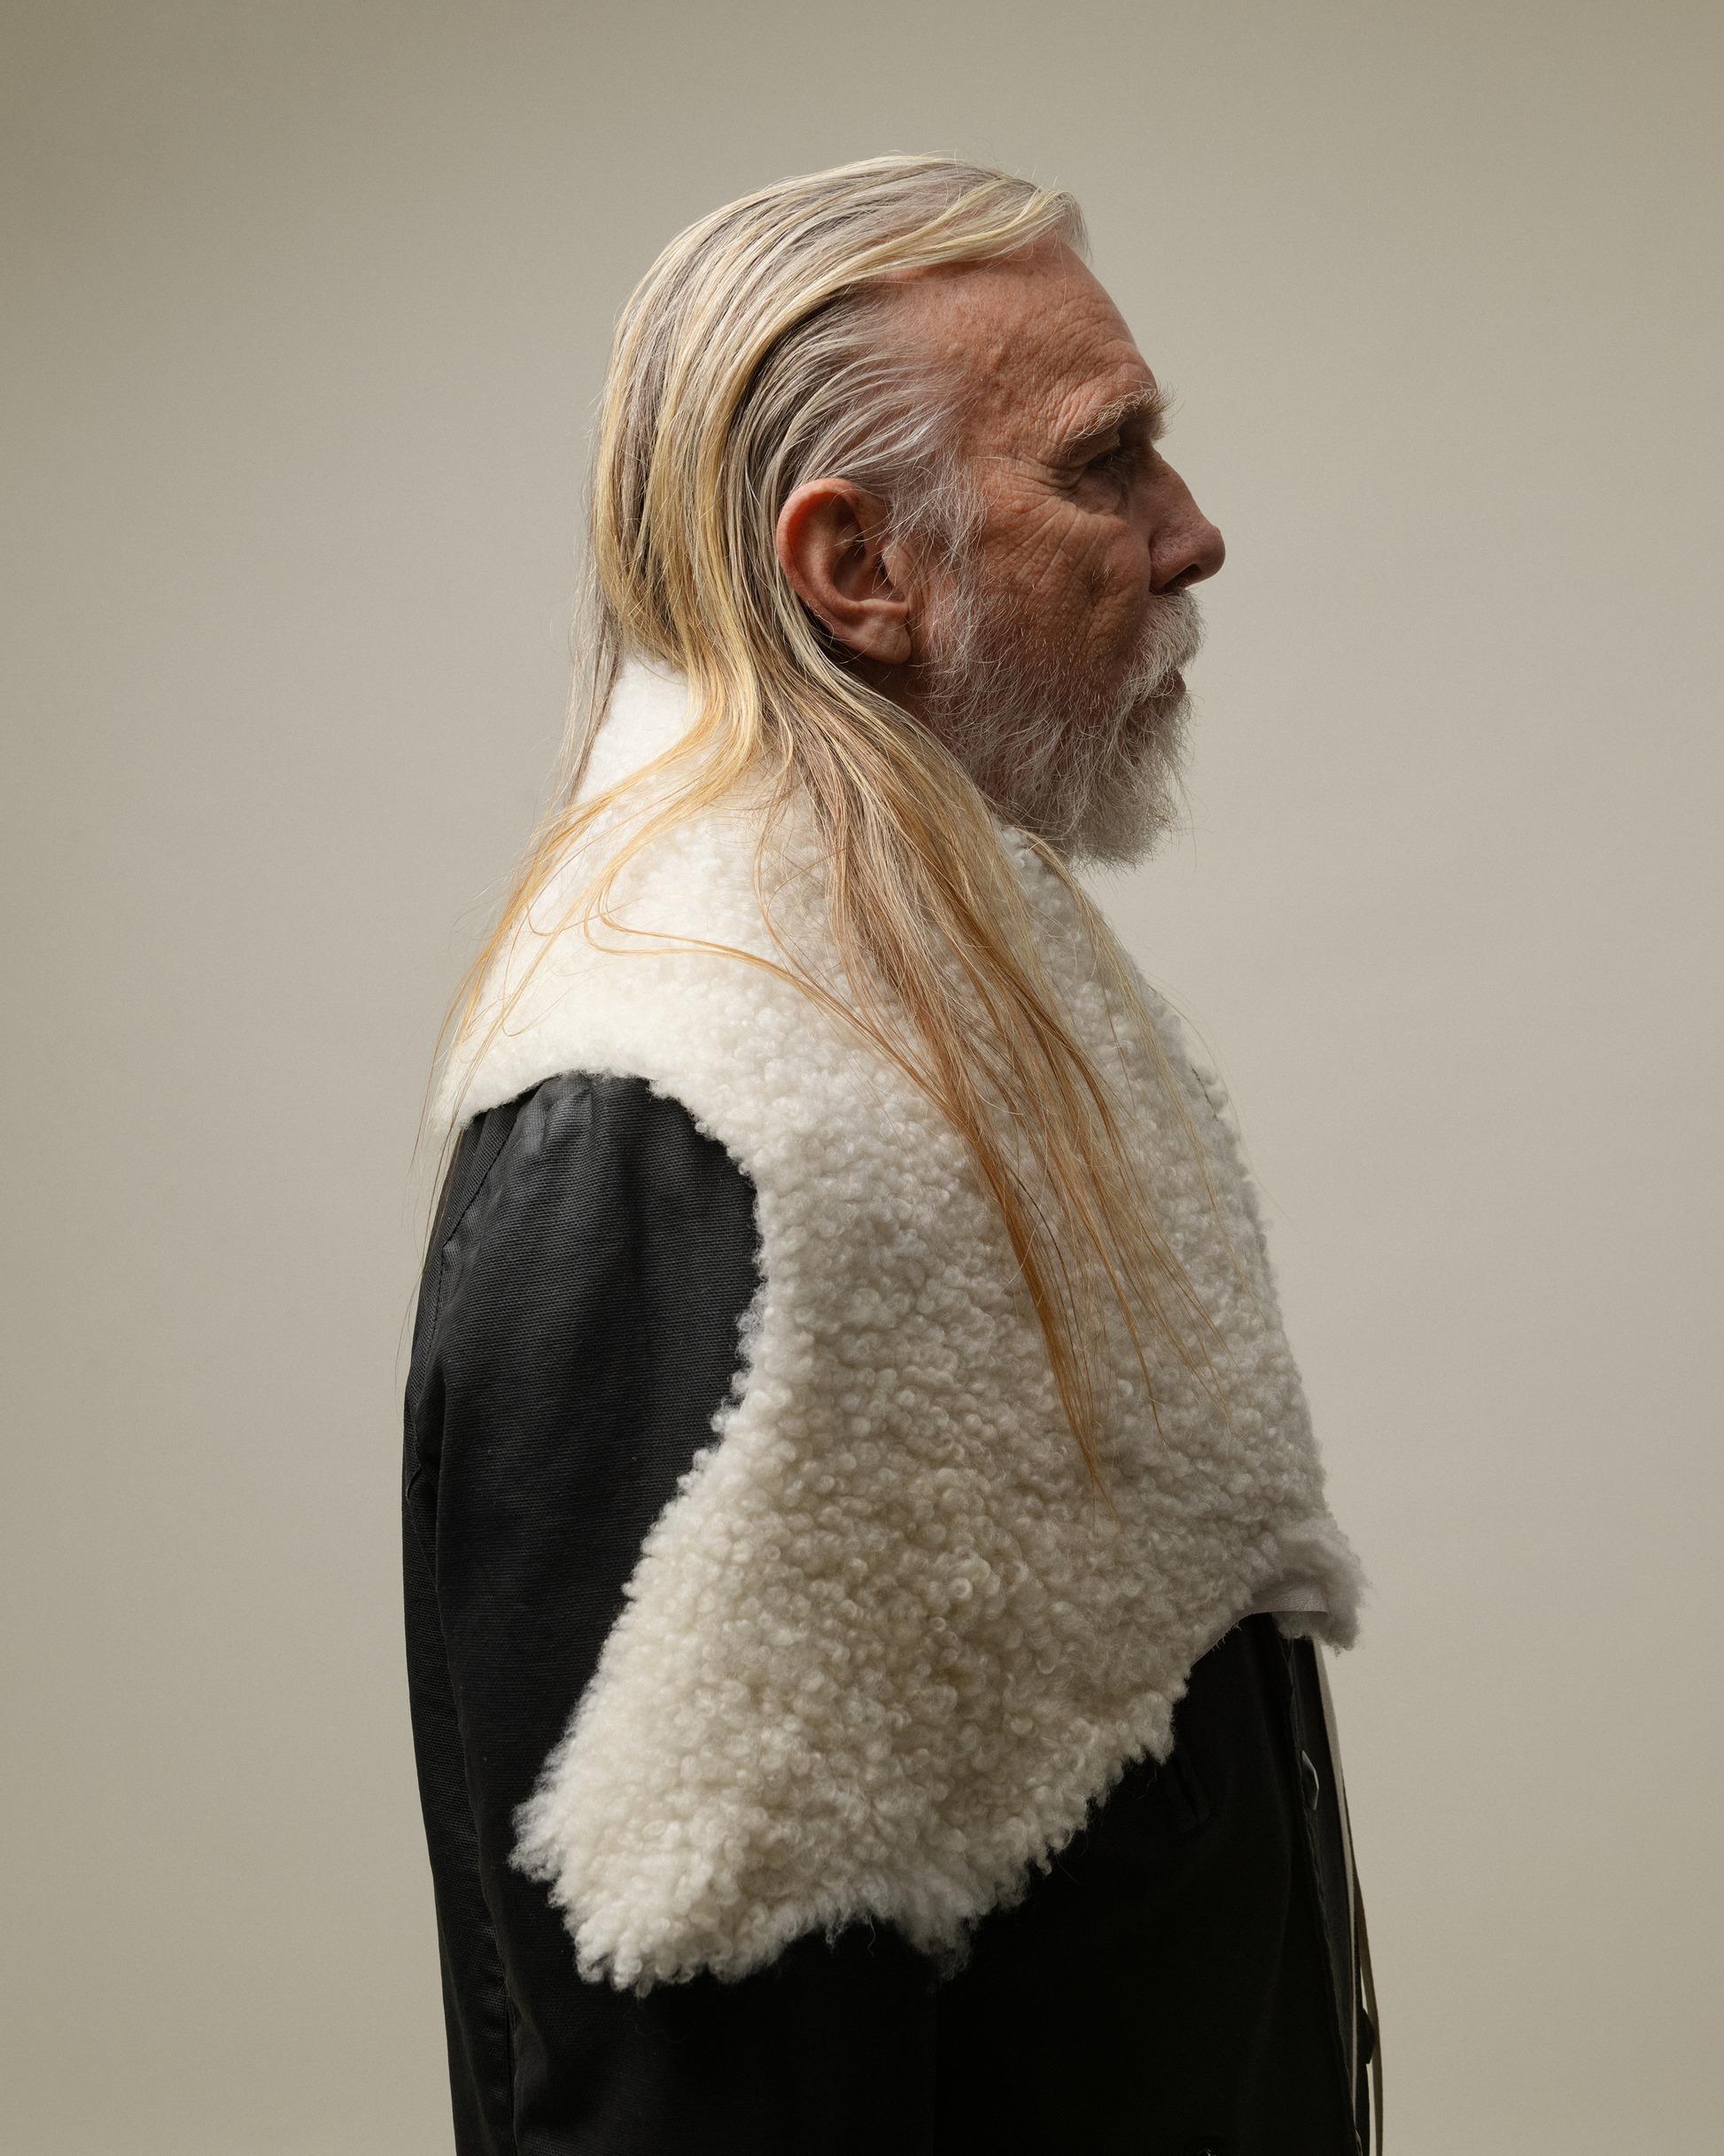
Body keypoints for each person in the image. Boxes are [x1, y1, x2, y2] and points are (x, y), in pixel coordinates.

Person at [405, 155, 1378, 2155]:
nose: (1192, 532)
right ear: (858, 565)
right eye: (1103, 463)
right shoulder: (688, 1120)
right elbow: (686, 2057)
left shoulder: (951, 989)